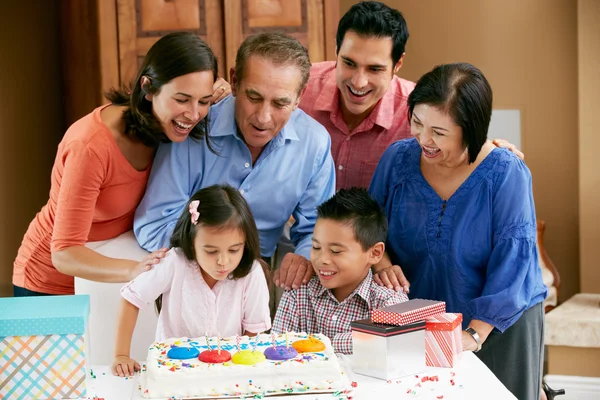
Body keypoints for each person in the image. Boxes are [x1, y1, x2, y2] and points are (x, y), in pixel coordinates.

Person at [275, 1, 524, 292]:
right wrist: (220, 96)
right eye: (349, 63)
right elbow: (253, 98)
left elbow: (457, 140)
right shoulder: (297, 87)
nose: (359, 81)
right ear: (336, 50)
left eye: (375, 68)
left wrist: (488, 148)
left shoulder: (418, 114)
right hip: (302, 240)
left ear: (398, 63)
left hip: (374, 260)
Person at [368, 63, 547, 400]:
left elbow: (515, 265)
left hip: (498, 325)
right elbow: (368, 227)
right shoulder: (397, 160)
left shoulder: (506, 173)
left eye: (439, 131)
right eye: (417, 123)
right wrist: (381, 264)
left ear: (471, 130)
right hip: (419, 323)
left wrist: (474, 336)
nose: (424, 139)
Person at [12, 32, 230, 297]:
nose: (194, 114)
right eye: (182, 99)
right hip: (50, 284)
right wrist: (133, 270)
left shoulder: (169, 125)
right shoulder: (90, 147)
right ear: (148, 88)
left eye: (204, 101)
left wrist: (225, 99)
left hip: (111, 279)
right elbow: (64, 253)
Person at [134, 33, 335, 280]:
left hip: (266, 273)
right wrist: (235, 262)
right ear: (235, 80)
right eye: (254, 97)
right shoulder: (192, 128)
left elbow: (317, 229)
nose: (263, 117)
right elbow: (153, 226)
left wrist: (303, 257)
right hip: (192, 269)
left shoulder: (314, 142)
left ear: (300, 97)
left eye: (280, 103)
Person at [112, 185, 271, 377]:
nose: (223, 261)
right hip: (174, 370)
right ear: (192, 241)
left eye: (234, 250)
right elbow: (132, 297)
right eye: (211, 251)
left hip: (228, 373)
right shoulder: (175, 262)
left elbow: (254, 334)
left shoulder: (251, 272)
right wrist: (121, 355)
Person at [272, 187, 408, 354]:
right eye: (316, 247)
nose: (322, 259)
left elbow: (390, 344)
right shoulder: (298, 292)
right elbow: (277, 350)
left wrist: (321, 344)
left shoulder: (389, 301)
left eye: (336, 251)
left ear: (375, 253)